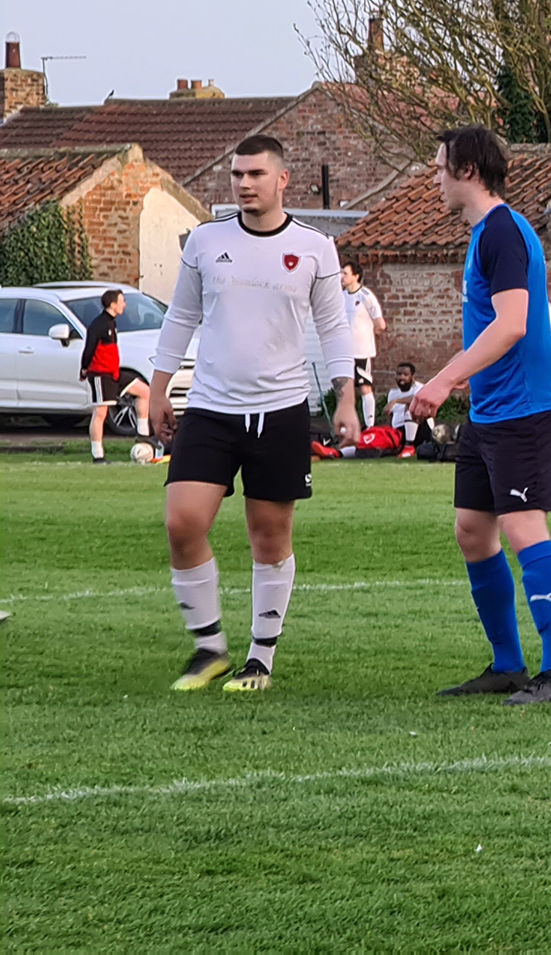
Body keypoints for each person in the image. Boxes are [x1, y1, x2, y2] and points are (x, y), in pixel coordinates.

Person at [148, 135, 358, 694]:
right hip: (210, 409)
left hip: (280, 412)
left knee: (269, 538)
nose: (244, 184)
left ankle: (259, 660)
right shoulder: (206, 240)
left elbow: (334, 328)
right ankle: (209, 649)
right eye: (237, 175)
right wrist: (158, 389)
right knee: (182, 522)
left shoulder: (315, 248)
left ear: (282, 179)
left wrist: (346, 396)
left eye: (256, 174)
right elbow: (181, 316)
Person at [409, 125, 551, 705]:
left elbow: (511, 325)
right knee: (472, 530)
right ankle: (508, 665)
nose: (435, 179)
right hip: (490, 412)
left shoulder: (504, 231)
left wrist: (442, 379)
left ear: (468, 171)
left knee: (524, 528)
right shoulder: (484, 233)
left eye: (440, 168)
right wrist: (465, 379)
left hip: (524, 410)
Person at [79, 287, 151, 461]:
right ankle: (98, 455)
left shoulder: (112, 323)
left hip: (114, 373)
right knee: (100, 413)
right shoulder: (98, 325)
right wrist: (84, 368)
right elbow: (89, 349)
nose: (124, 305)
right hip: (101, 375)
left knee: (144, 391)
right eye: (121, 301)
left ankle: (143, 436)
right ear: (112, 305)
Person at [340, 261, 387, 427]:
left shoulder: (366, 296)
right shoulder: (340, 297)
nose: (342, 277)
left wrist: (366, 333)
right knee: (345, 390)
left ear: (356, 276)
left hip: (361, 352)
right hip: (344, 353)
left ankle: (369, 425)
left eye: (345, 273)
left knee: (364, 388)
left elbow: (380, 324)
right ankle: (348, 425)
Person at [389, 360, 425, 455]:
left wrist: (396, 401)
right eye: (399, 374)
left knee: (410, 407)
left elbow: (417, 399)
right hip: (399, 431)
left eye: (405, 375)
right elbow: (391, 415)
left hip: (419, 429)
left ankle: (409, 446)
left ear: (413, 377)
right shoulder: (393, 393)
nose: (402, 377)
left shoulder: (420, 388)